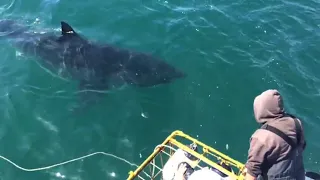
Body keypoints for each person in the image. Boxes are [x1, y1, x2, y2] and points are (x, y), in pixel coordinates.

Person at [244, 89, 307, 180]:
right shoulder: (297, 122)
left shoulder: (261, 137)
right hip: (298, 176)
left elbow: (252, 170)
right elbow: (302, 147)